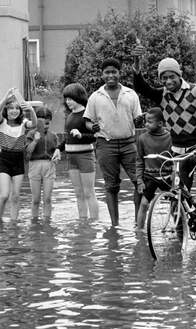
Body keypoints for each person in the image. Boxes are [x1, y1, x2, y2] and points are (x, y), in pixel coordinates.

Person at [132, 51, 196, 217]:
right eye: (164, 78)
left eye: (172, 77)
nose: (168, 81)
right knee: (180, 194)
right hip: (178, 149)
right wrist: (136, 63)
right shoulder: (161, 95)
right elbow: (141, 87)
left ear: (180, 75)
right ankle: (185, 225)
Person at [84, 58, 142, 227]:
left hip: (129, 143)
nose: (111, 75)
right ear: (102, 75)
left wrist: (139, 121)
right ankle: (114, 226)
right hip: (105, 144)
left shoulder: (130, 94)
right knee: (111, 186)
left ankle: (138, 223)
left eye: (114, 72)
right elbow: (87, 121)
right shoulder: (96, 97)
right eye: (107, 72)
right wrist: (91, 127)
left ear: (119, 73)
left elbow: (137, 118)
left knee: (139, 182)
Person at [0, 88, 35, 224]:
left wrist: (31, 109)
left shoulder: (23, 123)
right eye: (11, 108)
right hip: (4, 159)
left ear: (20, 111)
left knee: (15, 196)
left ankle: (14, 222)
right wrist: (6, 97)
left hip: (18, 160)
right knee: (5, 195)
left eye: (17, 108)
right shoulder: (2, 122)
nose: (14, 111)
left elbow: (34, 124)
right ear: (7, 110)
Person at [58, 83, 100, 221]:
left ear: (79, 97)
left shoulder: (87, 115)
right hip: (71, 158)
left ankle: (94, 222)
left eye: (71, 98)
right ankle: (82, 221)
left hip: (85, 156)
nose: (68, 102)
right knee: (78, 193)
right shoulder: (69, 116)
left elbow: (96, 136)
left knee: (89, 193)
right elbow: (68, 138)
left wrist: (81, 135)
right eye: (66, 99)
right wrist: (59, 149)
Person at [135, 108, 173, 228]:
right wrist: (140, 181)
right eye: (146, 121)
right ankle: (139, 233)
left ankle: (179, 228)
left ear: (160, 123)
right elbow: (139, 160)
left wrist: (174, 174)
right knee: (144, 204)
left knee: (175, 204)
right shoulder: (142, 138)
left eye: (150, 122)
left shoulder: (171, 136)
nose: (146, 124)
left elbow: (177, 156)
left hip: (168, 176)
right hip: (150, 176)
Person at [25, 105, 61, 224]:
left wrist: (57, 157)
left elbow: (56, 152)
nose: (45, 126)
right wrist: (35, 140)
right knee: (35, 199)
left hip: (49, 166)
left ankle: (47, 223)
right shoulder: (30, 134)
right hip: (34, 166)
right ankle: (34, 222)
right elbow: (27, 153)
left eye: (47, 124)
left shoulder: (53, 136)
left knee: (47, 199)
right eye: (42, 124)